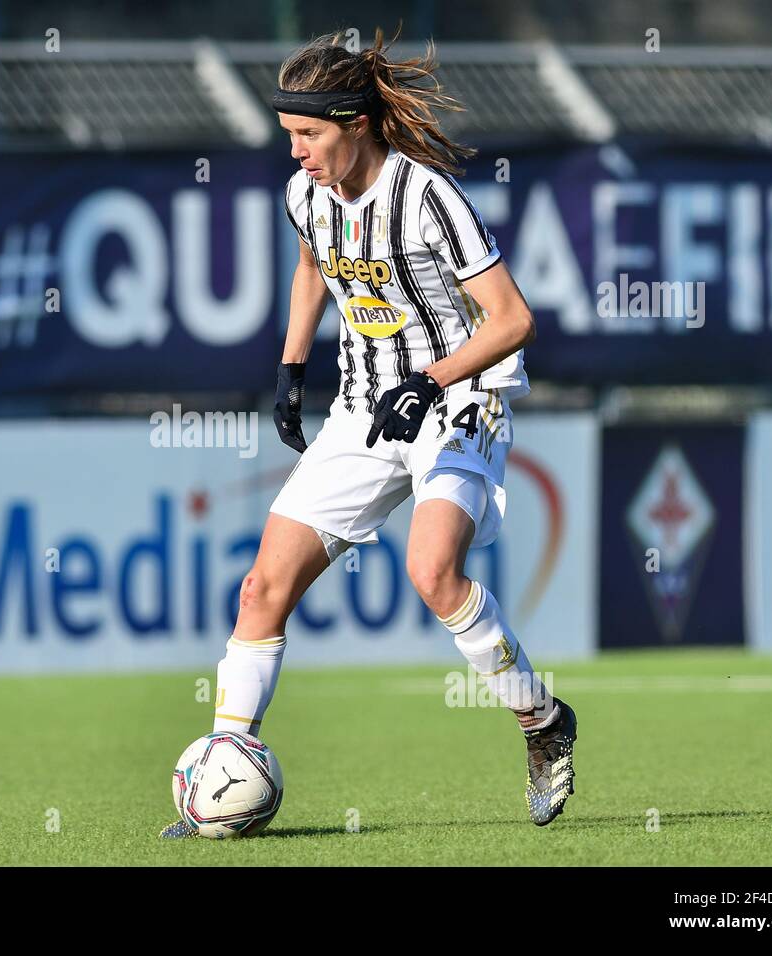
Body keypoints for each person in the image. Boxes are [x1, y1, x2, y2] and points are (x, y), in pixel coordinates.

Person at [161, 29, 576, 837]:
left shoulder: (428, 197)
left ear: (353, 123)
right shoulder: (307, 195)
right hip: (363, 407)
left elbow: (513, 319)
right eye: (288, 137)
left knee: (432, 571)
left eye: (308, 135)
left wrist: (431, 381)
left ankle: (543, 723)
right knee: (261, 589)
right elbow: (315, 264)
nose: (297, 154)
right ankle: (225, 762)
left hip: (457, 400)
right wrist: (290, 368)